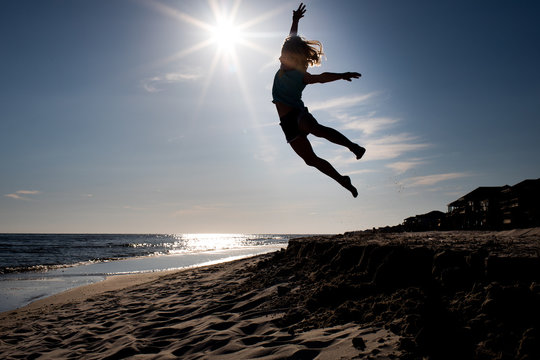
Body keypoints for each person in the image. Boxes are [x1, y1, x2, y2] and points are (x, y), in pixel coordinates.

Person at [272, 3, 366, 198]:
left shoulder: (301, 75)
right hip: (287, 124)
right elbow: (291, 39)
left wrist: (342, 75)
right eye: (281, 55)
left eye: (284, 57)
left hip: (297, 114)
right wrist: (295, 20)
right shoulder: (284, 64)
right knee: (310, 160)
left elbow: (321, 77)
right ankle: (343, 180)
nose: (280, 58)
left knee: (316, 129)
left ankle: (353, 147)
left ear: (294, 59)